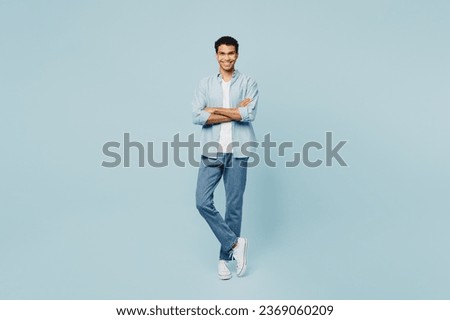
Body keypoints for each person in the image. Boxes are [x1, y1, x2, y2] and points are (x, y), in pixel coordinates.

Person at [192, 36, 259, 280]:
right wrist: (234, 112)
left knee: (233, 206)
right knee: (202, 201)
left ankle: (224, 259)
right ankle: (234, 243)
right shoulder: (205, 84)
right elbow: (197, 116)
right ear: (216, 55)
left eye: (231, 53)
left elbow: (248, 113)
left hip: (239, 151)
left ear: (237, 55)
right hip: (212, 149)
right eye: (222, 53)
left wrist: (215, 109)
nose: (227, 58)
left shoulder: (249, 82)